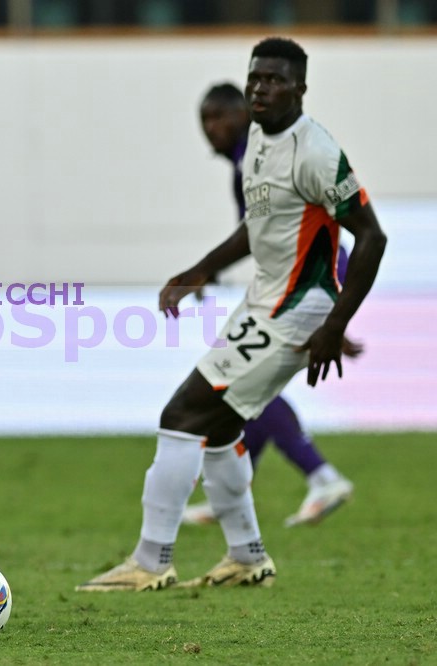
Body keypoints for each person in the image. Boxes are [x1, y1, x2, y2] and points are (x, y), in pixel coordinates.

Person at [76, 37, 386, 592]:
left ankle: (150, 561)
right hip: (265, 301)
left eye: (275, 79)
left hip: (297, 307)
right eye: (255, 78)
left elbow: (371, 237)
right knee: (220, 427)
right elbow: (258, 227)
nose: (261, 88)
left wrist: (334, 324)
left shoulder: (316, 151)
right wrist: (200, 269)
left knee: (182, 414)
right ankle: (246, 556)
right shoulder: (258, 143)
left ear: (300, 88)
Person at [183, 82, 358, 528]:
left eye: (219, 116)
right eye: (205, 119)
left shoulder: (257, 157)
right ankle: (231, 496)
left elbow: (261, 232)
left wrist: (202, 270)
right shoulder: (247, 161)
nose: (211, 127)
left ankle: (321, 476)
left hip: (309, 281)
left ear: (242, 115)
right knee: (252, 392)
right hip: (310, 281)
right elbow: (262, 234)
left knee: (240, 383)